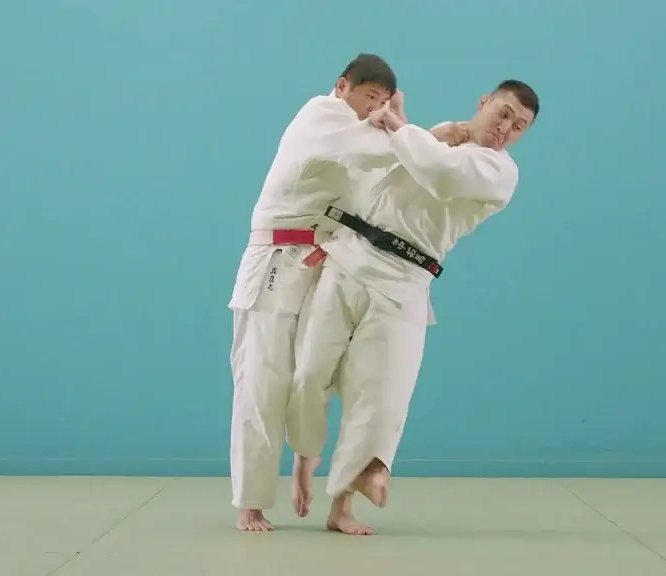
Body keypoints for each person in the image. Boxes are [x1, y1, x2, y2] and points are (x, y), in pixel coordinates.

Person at [285, 80, 540, 535]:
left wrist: (405, 127)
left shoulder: (500, 173)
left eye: (519, 127)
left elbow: (439, 171)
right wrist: (420, 129)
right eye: (503, 113)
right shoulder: (440, 134)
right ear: (484, 102)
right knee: (308, 373)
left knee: (377, 398)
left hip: (405, 279)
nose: (506, 129)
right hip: (350, 256)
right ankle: (306, 455)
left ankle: (341, 504)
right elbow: (391, 164)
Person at [227, 53, 407, 532]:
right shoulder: (321, 114)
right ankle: (251, 502)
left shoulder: (369, 135)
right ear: (342, 85)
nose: (375, 108)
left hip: (323, 261)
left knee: (316, 373)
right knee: (263, 380)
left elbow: (391, 171)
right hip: (275, 261)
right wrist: (403, 129)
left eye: (383, 101)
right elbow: (373, 149)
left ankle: (311, 467)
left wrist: (401, 130)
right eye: (369, 97)